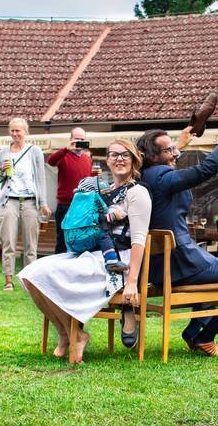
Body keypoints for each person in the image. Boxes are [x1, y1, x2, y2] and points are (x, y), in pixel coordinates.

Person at [137, 114, 218, 357]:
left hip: (157, 268)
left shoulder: (145, 176)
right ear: (154, 156)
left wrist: (180, 143)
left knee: (215, 282)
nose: (175, 153)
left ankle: (194, 330)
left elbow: (165, 161)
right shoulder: (165, 178)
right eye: (169, 150)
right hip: (184, 263)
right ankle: (205, 336)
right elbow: (207, 168)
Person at [20, 139, 151, 362]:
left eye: (125, 155)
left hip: (117, 260)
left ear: (134, 160)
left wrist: (131, 281)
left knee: (46, 274)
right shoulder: (102, 190)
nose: (119, 159)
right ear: (107, 160)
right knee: (30, 274)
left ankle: (74, 335)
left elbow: (139, 239)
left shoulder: (137, 193)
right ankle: (67, 334)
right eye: (114, 154)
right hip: (92, 253)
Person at [0, 118, 51, 291]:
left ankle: (28, 281)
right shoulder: (3, 152)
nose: (15, 134)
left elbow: (40, 178)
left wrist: (43, 203)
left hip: (30, 202)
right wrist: (2, 169)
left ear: (26, 131)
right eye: (12, 130)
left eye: (18, 130)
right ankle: (8, 281)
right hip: (8, 200)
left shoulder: (35, 151)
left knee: (30, 245)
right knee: (8, 243)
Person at [46, 127, 92, 254]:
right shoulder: (63, 155)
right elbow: (51, 161)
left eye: (82, 139)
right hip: (65, 205)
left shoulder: (87, 159)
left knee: (80, 239)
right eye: (77, 139)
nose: (79, 141)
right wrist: (66, 149)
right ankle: (58, 270)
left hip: (83, 206)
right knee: (62, 240)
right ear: (70, 140)